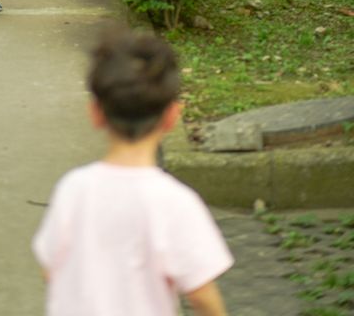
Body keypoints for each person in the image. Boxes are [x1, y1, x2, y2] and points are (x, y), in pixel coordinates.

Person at [32, 28, 233, 316]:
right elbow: (201, 294)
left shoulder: (73, 189)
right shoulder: (176, 202)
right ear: (172, 117)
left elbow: (50, 269)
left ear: (96, 113)